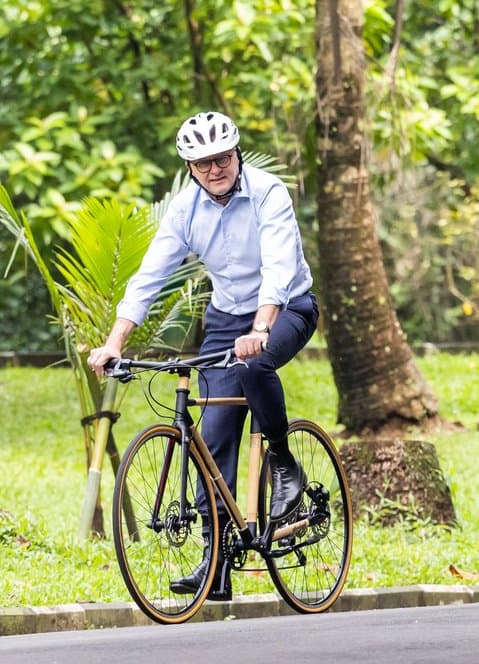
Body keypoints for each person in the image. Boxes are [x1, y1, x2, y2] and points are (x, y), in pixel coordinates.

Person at [87, 111, 318, 601]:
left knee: (256, 364)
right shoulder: (185, 209)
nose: (214, 169)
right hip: (225, 319)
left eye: (221, 158)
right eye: (202, 163)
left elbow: (279, 265)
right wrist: (115, 343)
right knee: (211, 439)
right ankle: (215, 567)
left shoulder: (269, 193)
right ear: (190, 168)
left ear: (236, 154)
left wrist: (261, 327)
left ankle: (283, 464)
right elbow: (150, 274)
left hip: (287, 307)